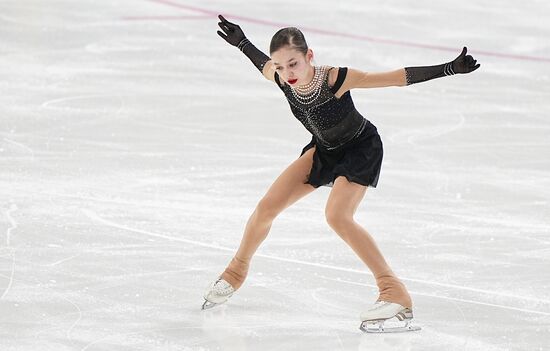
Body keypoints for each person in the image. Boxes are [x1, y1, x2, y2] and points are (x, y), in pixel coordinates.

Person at [202, 14, 480, 333]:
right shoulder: (280, 77)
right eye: (281, 67)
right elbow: (262, 63)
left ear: (309, 56)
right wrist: (242, 42)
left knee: (337, 216)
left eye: (293, 64)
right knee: (266, 208)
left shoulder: (336, 78)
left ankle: (395, 292)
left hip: (360, 148)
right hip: (323, 151)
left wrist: (449, 68)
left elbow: (394, 78)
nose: (287, 73)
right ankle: (235, 273)